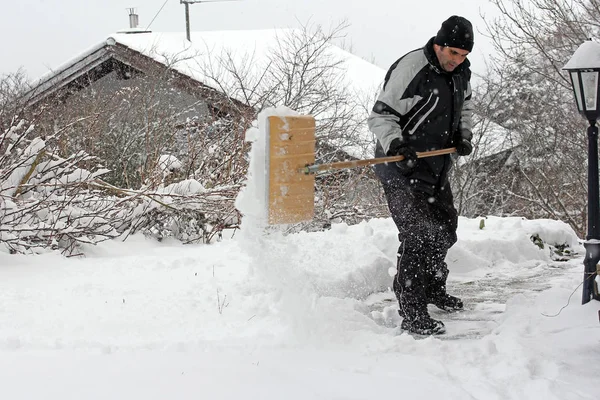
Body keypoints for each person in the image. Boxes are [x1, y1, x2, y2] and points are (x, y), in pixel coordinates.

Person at [368, 15, 475, 335]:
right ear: (439, 44)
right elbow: (380, 117)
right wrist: (398, 145)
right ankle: (412, 309)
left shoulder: (461, 75)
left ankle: (430, 286)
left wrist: (463, 135)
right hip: (399, 165)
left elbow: (466, 107)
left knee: (445, 228)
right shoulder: (413, 69)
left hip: (435, 166)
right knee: (418, 234)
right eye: (453, 53)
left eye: (464, 55)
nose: (457, 60)